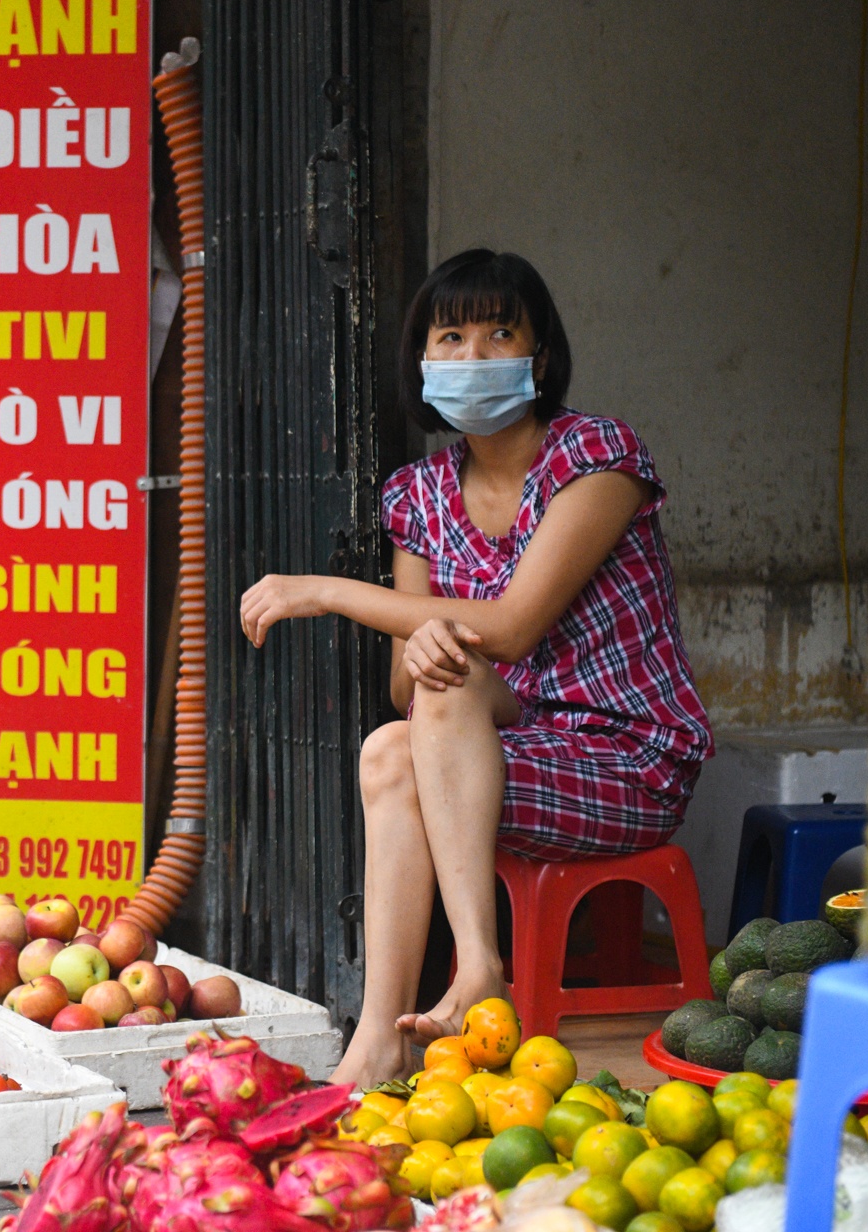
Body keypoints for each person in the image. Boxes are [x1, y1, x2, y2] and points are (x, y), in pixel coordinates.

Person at [238, 249, 712, 1087]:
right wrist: (424, 646)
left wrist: (329, 593)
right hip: (509, 751)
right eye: (450, 337)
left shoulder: (595, 458)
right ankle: (382, 1035)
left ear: (540, 354)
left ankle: (476, 964)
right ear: (422, 362)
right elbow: (404, 687)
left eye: (500, 334)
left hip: (627, 760)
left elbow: (513, 627)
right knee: (398, 732)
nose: (473, 357)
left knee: (440, 690)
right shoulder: (416, 495)